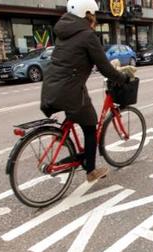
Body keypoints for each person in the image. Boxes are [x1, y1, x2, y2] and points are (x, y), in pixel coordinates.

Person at [40, 0, 130, 183]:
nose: (95, 18)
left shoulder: (63, 33)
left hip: (52, 86)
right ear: (87, 14)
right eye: (93, 15)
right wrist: (122, 78)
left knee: (76, 115)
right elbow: (104, 67)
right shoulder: (87, 35)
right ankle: (91, 170)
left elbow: (74, 59)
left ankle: (72, 148)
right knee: (90, 127)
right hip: (70, 90)